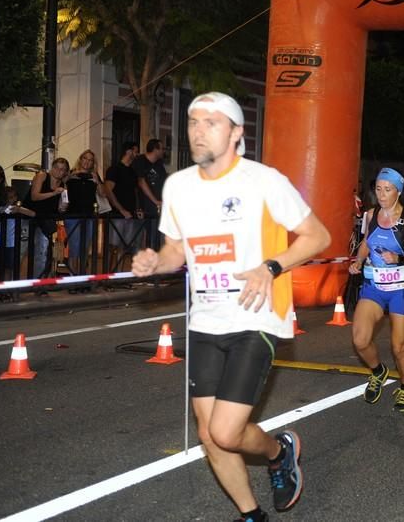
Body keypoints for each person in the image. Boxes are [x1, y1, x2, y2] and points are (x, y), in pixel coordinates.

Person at [132, 92, 330, 521]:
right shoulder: (177, 185)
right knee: (210, 434)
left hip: (254, 316)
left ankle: (279, 452)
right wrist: (156, 261)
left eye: (212, 122)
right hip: (205, 320)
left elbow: (318, 236)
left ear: (237, 133)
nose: (198, 130)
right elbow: (175, 251)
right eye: (193, 122)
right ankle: (251, 515)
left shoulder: (264, 180)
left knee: (226, 430)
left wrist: (270, 267)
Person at [349, 167, 404, 412]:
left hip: (401, 289)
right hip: (373, 286)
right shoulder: (370, 215)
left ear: (398, 192)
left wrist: (400, 259)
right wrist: (359, 260)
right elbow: (366, 243)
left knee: (399, 347)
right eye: (378, 189)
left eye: (388, 190)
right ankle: (378, 372)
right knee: (360, 340)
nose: (382, 195)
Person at [23, 157, 69, 279]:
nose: (59, 171)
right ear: (52, 168)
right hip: (27, 217)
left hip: (44, 220)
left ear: (65, 172)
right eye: (57, 168)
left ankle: (38, 283)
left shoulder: (63, 185)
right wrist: (54, 193)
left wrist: (63, 206)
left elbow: (59, 208)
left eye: (62, 169)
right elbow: (34, 196)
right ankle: (10, 285)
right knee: (21, 251)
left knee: (42, 252)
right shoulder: (42, 176)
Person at [65, 149, 104, 276]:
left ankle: (82, 276)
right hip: (73, 214)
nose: (87, 162)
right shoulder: (71, 173)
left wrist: (96, 181)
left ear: (93, 163)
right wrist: (70, 177)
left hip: (90, 215)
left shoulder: (94, 175)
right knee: (74, 247)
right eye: (85, 158)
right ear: (80, 159)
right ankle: (72, 278)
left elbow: (103, 194)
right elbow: (59, 185)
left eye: (90, 160)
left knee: (85, 247)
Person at [105, 141, 142, 268]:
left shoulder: (133, 171)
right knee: (114, 247)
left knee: (124, 247)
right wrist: (121, 209)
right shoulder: (114, 169)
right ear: (129, 151)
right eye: (135, 151)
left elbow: (135, 191)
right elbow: (108, 190)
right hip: (117, 215)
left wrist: (137, 208)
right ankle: (109, 277)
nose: (137, 154)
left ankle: (119, 277)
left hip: (130, 214)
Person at [133, 138, 167, 235]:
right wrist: (155, 201)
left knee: (155, 236)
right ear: (155, 150)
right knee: (141, 236)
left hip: (157, 209)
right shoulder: (140, 161)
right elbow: (141, 182)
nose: (163, 151)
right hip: (144, 207)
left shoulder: (159, 164)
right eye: (162, 149)